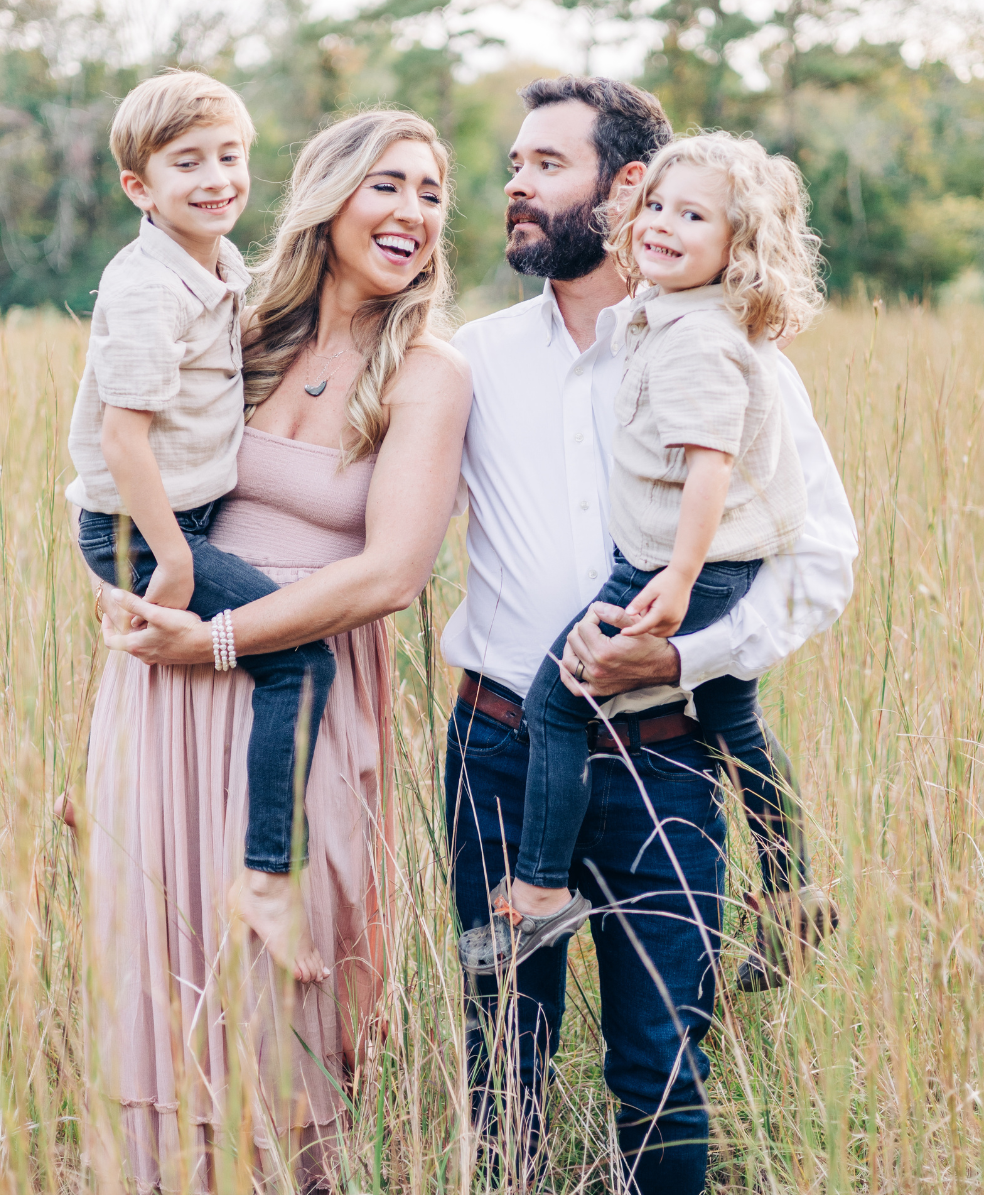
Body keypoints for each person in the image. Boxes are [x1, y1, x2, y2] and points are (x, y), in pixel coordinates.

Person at [442, 76, 857, 1193]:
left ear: (625, 185)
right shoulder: (468, 360)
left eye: (545, 165)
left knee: (662, 1063)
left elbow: (820, 561)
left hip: (667, 756)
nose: (515, 186)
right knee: (500, 1065)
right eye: (514, 165)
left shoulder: (735, 355)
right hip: (495, 755)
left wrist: (680, 657)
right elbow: (380, 533)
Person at [80, 108, 472, 1192]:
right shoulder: (231, 327)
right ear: (328, 196)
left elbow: (391, 575)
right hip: (162, 688)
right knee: (160, 973)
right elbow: (135, 500)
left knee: (280, 993)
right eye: (388, 185)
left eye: (432, 194)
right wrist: (108, 696)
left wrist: (214, 640)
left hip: (298, 699)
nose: (412, 213)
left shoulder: (427, 372)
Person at [457, 130, 833, 977]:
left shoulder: (695, 341)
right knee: (735, 717)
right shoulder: (667, 320)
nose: (662, 223)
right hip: (719, 564)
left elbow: (709, 470)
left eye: (690, 214)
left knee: (559, 703)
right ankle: (791, 888)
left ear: (738, 246)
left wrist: (677, 583)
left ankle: (542, 896)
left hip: (675, 568)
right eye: (657, 207)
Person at [66, 68, 336, 982]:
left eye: (230, 156)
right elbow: (121, 436)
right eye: (189, 163)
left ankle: (89, 779)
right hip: (142, 526)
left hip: (179, 510)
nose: (218, 177)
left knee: (151, 646)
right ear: (140, 187)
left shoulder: (216, 262)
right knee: (299, 658)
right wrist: (172, 559)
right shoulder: (145, 290)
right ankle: (267, 875)